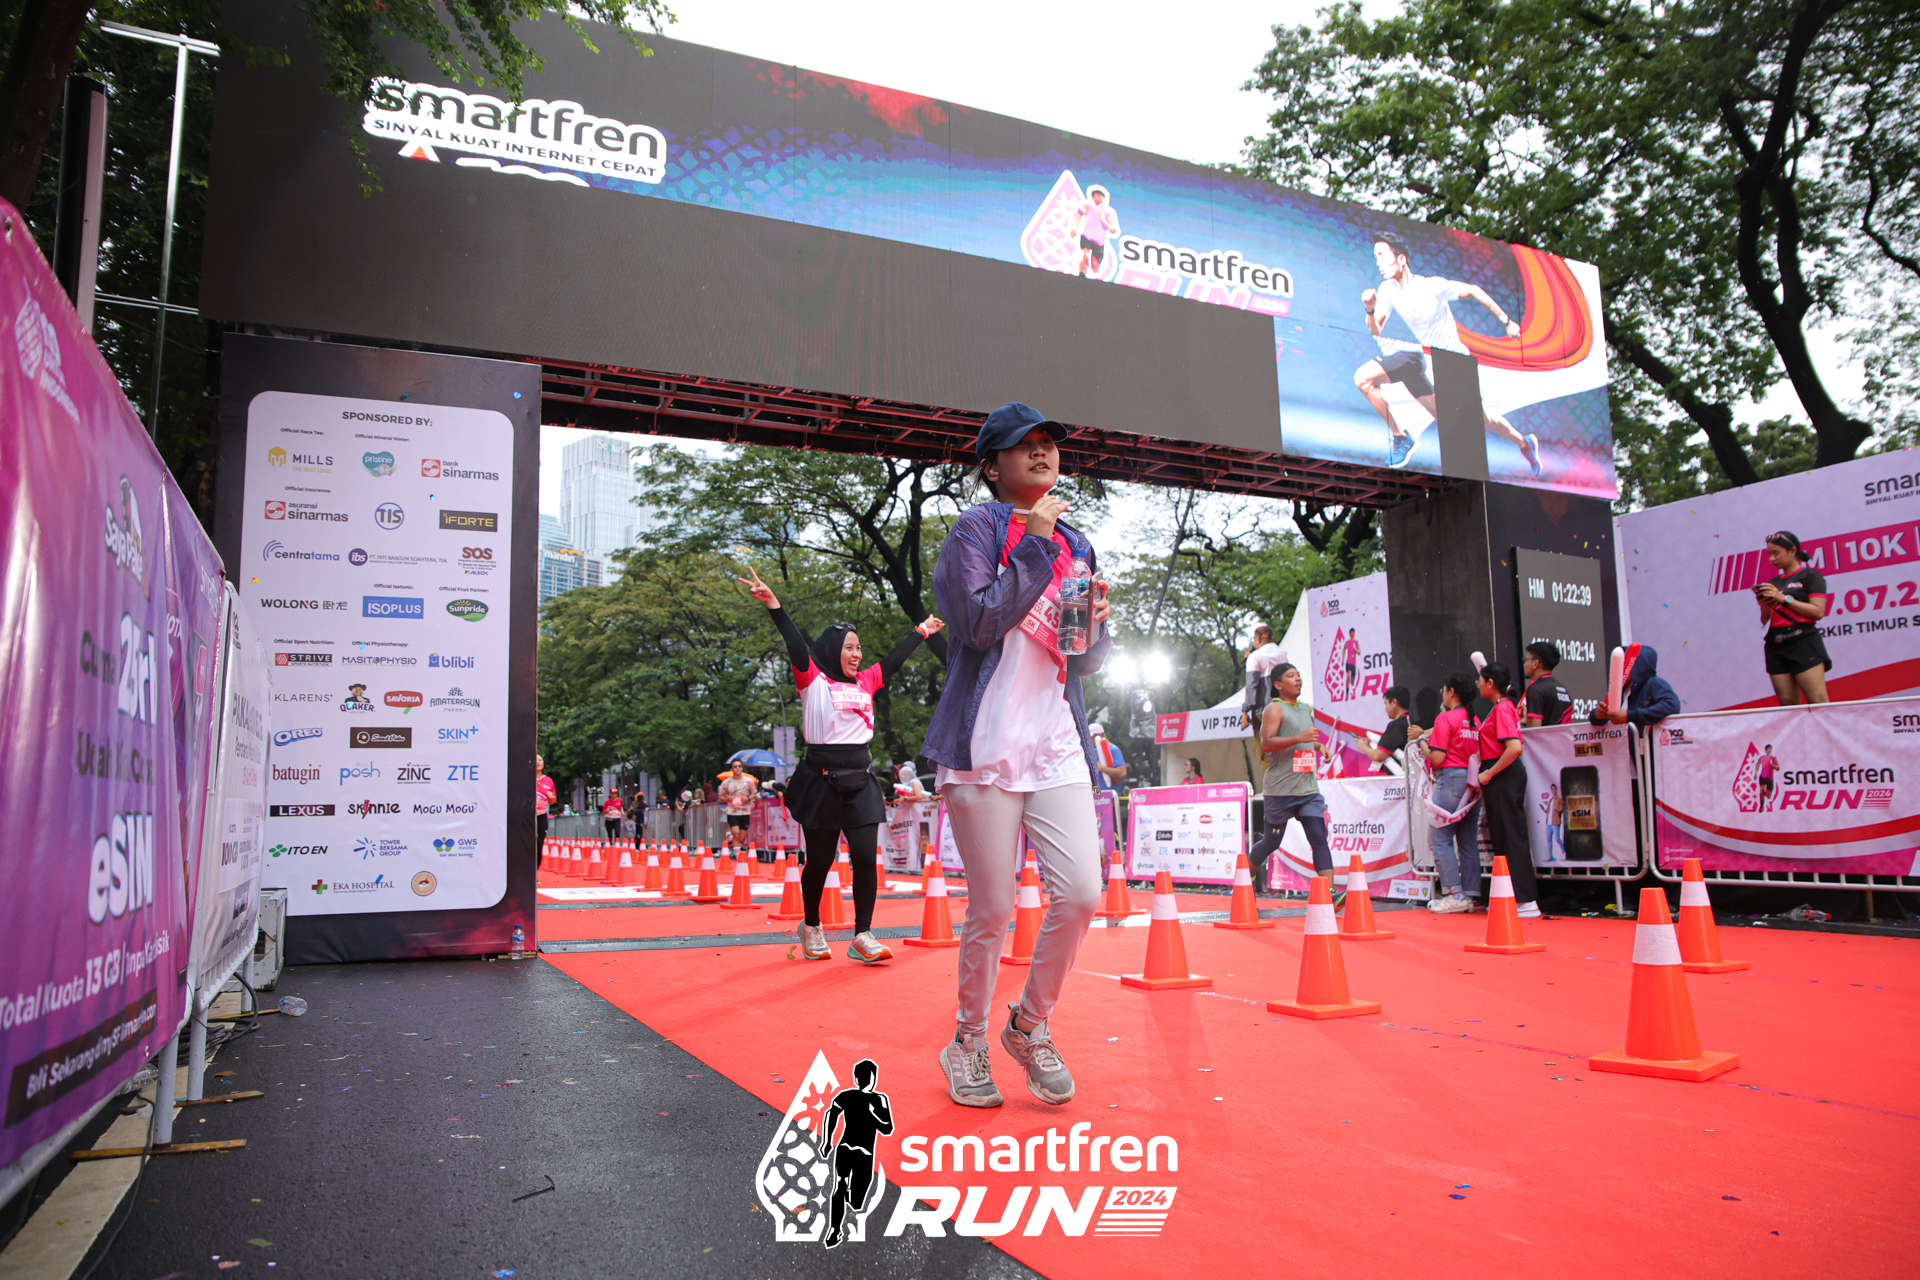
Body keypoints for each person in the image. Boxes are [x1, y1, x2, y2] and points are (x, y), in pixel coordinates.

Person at [921, 401, 1112, 1109]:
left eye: (1049, 444)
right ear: (991, 465)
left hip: (1056, 740)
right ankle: (967, 1042)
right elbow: (975, 623)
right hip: (984, 742)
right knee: (994, 906)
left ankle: (1028, 1025)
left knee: (1083, 893)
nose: (1041, 453)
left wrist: (1097, 629)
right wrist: (1031, 543)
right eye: (1023, 444)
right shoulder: (974, 530)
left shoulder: (1077, 541)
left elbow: (1080, 658)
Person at [740, 564, 944, 965]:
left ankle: (863, 934)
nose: (857, 654)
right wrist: (773, 603)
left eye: (859, 648)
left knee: (866, 856)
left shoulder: (866, 680)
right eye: (850, 647)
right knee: (820, 860)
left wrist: (921, 631)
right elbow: (794, 641)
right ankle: (812, 925)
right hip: (821, 780)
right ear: (834, 650)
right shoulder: (811, 678)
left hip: (861, 781)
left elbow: (894, 661)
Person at [1354, 235, 1541, 475]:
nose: (1378, 262)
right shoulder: (1387, 289)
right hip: (1432, 362)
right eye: (1375, 257)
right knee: (1451, 420)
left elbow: (1474, 291)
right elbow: (1375, 329)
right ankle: (1403, 438)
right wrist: (1369, 309)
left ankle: (1524, 443)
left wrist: (1507, 322)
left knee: (1481, 419)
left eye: (1382, 255)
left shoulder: (1431, 287)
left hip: (1456, 362)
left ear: (1401, 259)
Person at [1246, 664, 1334, 891]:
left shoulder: (1305, 709)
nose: (1298, 679)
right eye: (1291, 676)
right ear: (1278, 684)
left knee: (1319, 838)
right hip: (1281, 789)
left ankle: (1330, 894)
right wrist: (1299, 738)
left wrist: (1318, 746)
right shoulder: (1274, 709)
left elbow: (1303, 741)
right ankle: (1246, 880)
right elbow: (1266, 744)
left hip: (1307, 789)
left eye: (1299, 675)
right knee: (1271, 842)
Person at [1475, 662, 1542, 918]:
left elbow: (1514, 748)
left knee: (1512, 835)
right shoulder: (1500, 707)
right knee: (1503, 836)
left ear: (1491, 683)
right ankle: (1511, 896)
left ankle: (1526, 900)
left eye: (1481, 680)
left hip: (1503, 775)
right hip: (1498, 775)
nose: (1478, 685)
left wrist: (1490, 772)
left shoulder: (1503, 708)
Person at [816, 1059, 893, 1249]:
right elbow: (831, 1114)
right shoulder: (847, 1096)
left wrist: (871, 1116)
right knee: (840, 1185)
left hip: (862, 1153)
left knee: (856, 1201)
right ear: (858, 1078)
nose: (868, 1080)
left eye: (870, 1076)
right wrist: (827, 1141)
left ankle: (849, 1199)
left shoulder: (879, 1099)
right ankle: (835, 1229)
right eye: (865, 1076)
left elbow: (887, 1128)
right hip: (848, 1148)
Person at [1423, 673, 1483, 914]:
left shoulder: (1445, 718)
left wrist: (1422, 743)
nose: (1443, 694)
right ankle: (1471, 896)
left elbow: (1437, 758)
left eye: (1444, 689)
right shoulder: (1475, 720)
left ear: (1451, 692)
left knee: (1439, 838)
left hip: (1451, 780)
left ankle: (1455, 894)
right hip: (1473, 782)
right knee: (1467, 840)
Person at [1755, 530, 1832, 705]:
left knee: (1818, 700)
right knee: (1788, 705)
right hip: (1776, 644)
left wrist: (1784, 598)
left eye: (1776, 553)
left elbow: (1818, 612)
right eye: (1769, 554)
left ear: (1793, 551)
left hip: (1802, 640)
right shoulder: (1772, 583)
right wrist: (1764, 606)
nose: (1772, 558)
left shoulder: (1811, 576)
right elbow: (1765, 621)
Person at [1589, 644, 1679, 729]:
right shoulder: (1620, 689)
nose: (1620, 667)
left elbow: (1671, 705)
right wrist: (1597, 715)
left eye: (1625, 662)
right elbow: (1607, 718)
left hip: (1646, 740)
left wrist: (1630, 715)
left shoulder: (1654, 683)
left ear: (1639, 665)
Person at [1351, 684, 1423, 775]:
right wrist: (1371, 741)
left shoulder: (1396, 725)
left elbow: (1378, 756)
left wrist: (1363, 747)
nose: (1385, 708)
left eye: (1386, 703)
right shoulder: (1411, 722)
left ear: (1394, 702)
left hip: (1401, 778)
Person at [1241, 625, 1287, 726]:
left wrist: (1245, 710)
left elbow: (1252, 685)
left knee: (1264, 736)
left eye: (1254, 639)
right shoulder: (1283, 655)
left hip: (1263, 709)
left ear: (1259, 639)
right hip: (1284, 708)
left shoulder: (1255, 656)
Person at [1521, 641, 1576, 726]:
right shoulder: (1564, 690)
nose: (1524, 664)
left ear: (1536, 663)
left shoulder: (1535, 689)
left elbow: (1534, 731)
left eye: (1526, 660)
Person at [1071, 185, 1119, 279]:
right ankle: (1082, 275)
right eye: (1097, 196)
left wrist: (1103, 220)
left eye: (1101, 197)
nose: (1099, 198)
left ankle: (1090, 268)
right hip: (1087, 236)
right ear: (1093, 197)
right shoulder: (1087, 207)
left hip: (1099, 242)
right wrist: (1074, 228)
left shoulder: (1107, 212)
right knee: (1084, 255)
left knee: (1095, 267)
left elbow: (1113, 230)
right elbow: (1077, 215)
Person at [718, 760, 759, 848]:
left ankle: (731, 838)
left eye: (739, 766)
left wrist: (747, 798)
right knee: (736, 833)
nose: (738, 768)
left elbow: (754, 793)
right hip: (732, 811)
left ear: (742, 768)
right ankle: (737, 854)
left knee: (741, 839)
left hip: (745, 811)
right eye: (735, 766)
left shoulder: (748, 781)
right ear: (731, 769)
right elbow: (720, 796)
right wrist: (728, 799)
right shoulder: (726, 783)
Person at [1088, 722, 1127, 791]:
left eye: (1091, 738)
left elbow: (1122, 772)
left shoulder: (1113, 749)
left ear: (1099, 735)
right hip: (1096, 794)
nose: (1089, 741)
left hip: (1110, 794)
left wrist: (1101, 768)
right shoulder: (1093, 751)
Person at [535, 754, 556, 857]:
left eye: (540, 760)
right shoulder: (526, 780)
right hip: (527, 817)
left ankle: (536, 866)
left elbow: (553, 801)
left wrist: (551, 797)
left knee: (539, 845)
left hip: (541, 816)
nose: (538, 762)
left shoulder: (548, 781)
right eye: (535, 760)